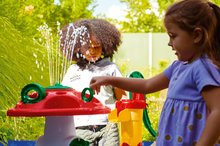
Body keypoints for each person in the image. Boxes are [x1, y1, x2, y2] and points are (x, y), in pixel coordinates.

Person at [89, 0, 220, 146]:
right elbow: (147, 85)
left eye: (173, 36)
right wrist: (109, 80)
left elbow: (218, 110)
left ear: (196, 35)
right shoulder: (178, 67)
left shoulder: (203, 68)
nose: (169, 43)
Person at [61, 18, 126, 146]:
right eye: (87, 48)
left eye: (96, 47)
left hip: (107, 124)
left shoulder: (111, 68)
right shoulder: (73, 70)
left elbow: (121, 97)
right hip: (80, 125)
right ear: (78, 48)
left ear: (105, 47)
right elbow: (65, 97)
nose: (92, 51)